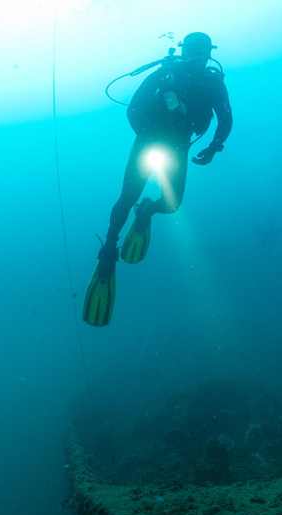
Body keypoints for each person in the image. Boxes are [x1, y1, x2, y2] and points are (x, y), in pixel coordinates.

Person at [83, 32, 233, 326]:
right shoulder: (165, 74)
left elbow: (226, 119)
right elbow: (133, 107)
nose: (196, 57)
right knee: (126, 197)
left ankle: (147, 211)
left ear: (208, 54)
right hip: (148, 142)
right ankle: (108, 250)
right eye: (192, 50)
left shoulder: (214, 83)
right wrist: (145, 136)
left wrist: (214, 147)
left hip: (179, 146)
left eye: (201, 52)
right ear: (183, 51)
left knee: (172, 203)